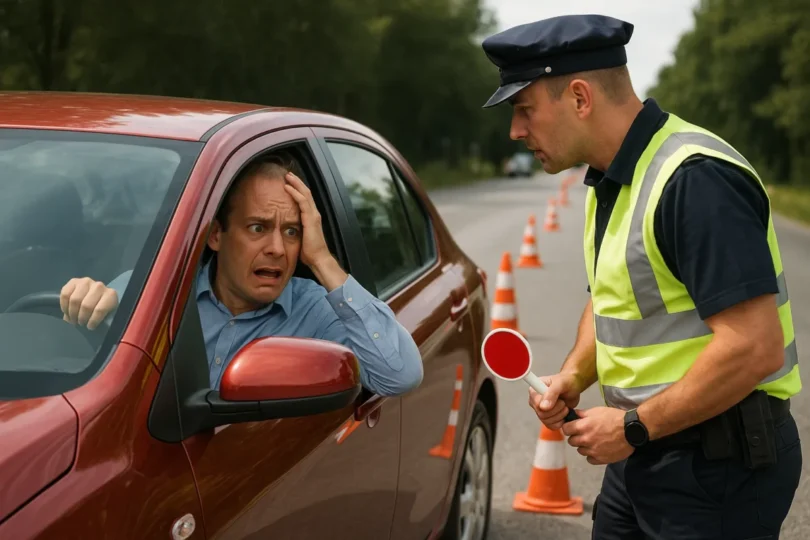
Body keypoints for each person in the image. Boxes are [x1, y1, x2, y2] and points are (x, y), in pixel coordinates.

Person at [481, 13, 802, 539]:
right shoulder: (612, 178)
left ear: (580, 98)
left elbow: (755, 345)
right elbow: (613, 300)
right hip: (646, 454)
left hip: (718, 469)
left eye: (524, 110)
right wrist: (574, 376)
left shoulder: (694, 181)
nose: (516, 131)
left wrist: (633, 426)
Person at [59, 153, 424, 398]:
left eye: (292, 232)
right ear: (216, 235)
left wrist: (322, 259)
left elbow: (401, 375)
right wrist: (83, 303)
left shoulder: (315, 311)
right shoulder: (154, 291)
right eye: (257, 227)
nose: (278, 249)